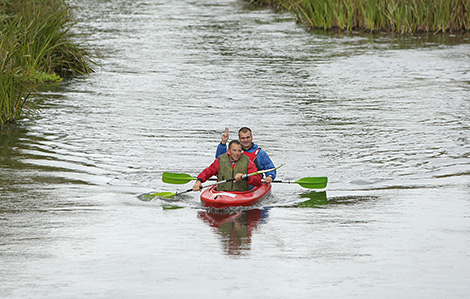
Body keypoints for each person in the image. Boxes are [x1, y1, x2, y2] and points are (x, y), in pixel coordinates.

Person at [193, 140, 261, 192]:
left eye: (239, 151)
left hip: (240, 194)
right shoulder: (220, 161)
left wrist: (245, 177)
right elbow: (208, 172)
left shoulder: (248, 163)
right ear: (228, 151)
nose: (237, 153)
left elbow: (258, 181)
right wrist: (199, 181)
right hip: (222, 193)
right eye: (234, 150)